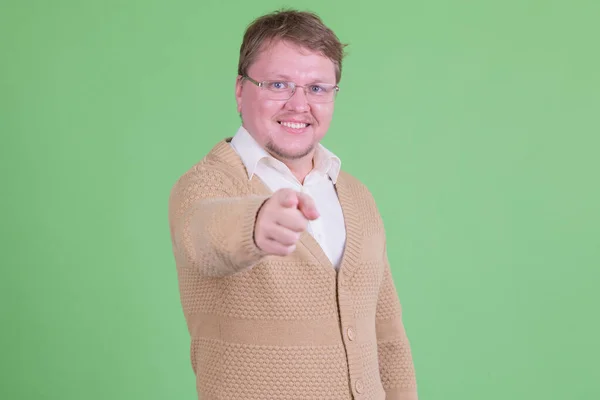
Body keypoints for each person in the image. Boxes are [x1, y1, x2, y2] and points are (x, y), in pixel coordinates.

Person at [168, 9, 418, 400]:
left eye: (317, 88)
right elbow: (203, 234)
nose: (299, 104)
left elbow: (387, 335)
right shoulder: (206, 184)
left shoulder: (356, 195)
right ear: (240, 90)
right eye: (279, 84)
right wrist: (255, 223)